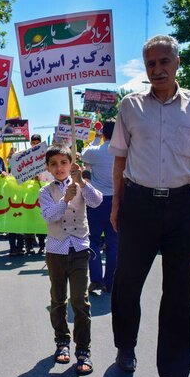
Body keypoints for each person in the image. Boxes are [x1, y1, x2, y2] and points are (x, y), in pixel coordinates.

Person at [109, 35, 190, 377]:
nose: (157, 69)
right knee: (126, 283)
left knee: (179, 294)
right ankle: (125, 345)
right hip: (138, 204)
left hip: (181, 208)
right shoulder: (129, 106)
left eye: (163, 62)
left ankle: (173, 374)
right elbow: (120, 160)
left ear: (177, 62)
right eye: (150, 64)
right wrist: (117, 205)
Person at [39, 145, 103, 376]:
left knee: (80, 300)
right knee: (58, 299)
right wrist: (64, 200)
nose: (59, 168)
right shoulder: (45, 191)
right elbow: (49, 216)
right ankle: (62, 342)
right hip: (56, 251)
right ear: (48, 167)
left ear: (71, 163)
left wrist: (83, 183)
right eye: (54, 164)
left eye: (63, 163)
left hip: (79, 250)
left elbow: (97, 202)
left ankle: (83, 350)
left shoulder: (81, 184)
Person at [81, 120, 117, 293]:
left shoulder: (96, 151)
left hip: (96, 202)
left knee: (93, 241)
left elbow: (83, 154)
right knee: (114, 243)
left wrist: (96, 139)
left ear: (103, 134)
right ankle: (111, 281)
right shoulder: (124, 152)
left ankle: (96, 279)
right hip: (117, 201)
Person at [25, 133, 49, 254]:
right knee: (29, 219)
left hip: (41, 191)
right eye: (33, 143)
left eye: (37, 143)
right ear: (30, 143)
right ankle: (28, 245)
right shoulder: (25, 158)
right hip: (28, 192)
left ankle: (42, 244)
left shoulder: (45, 157)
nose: (35, 145)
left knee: (40, 218)